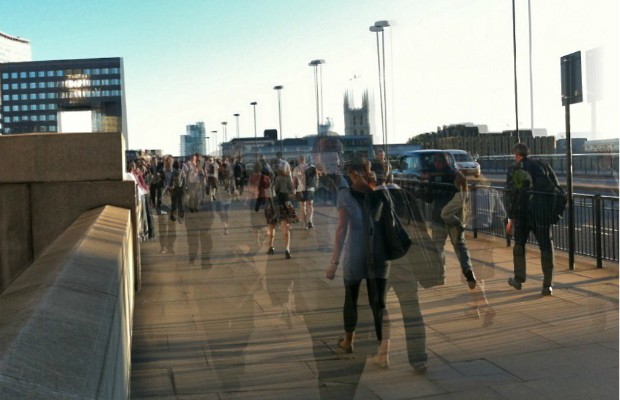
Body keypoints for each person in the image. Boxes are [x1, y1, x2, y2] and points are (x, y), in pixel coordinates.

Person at [326, 159, 391, 369]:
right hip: (379, 255)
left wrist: (333, 262)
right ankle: (383, 352)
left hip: (355, 254)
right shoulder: (378, 191)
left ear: (352, 173)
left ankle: (349, 341)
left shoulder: (345, 195)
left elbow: (341, 229)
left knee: (351, 298)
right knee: (379, 304)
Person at [504, 142, 557, 296]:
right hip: (541, 214)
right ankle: (548, 285)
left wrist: (510, 219)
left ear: (516, 155)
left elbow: (511, 195)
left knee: (519, 245)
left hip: (522, 214)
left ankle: (518, 279)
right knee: (546, 247)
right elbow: (554, 187)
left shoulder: (514, 169)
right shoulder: (542, 165)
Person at [424, 152, 476, 288]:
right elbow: (464, 197)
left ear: (437, 163)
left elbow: (428, 198)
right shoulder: (456, 175)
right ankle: (468, 270)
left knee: (438, 248)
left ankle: (440, 277)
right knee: (460, 246)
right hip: (454, 217)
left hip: (437, 217)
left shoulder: (433, 177)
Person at [440, 171, 477, 288]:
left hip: (454, 224)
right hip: (461, 223)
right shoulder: (467, 194)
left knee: (457, 247)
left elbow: (445, 213)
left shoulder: (459, 196)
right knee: (461, 248)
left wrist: (456, 221)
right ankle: (468, 271)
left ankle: (467, 271)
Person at [269, 165, 297, 259]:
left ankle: (271, 246)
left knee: (272, 224)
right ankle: (287, 249)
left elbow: (275, 190)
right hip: (286, 201)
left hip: (277, 202)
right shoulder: (288, 177)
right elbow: (291, 188)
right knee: (286, 228)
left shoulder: (276, 178)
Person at [292, 154, 317, 229]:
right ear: (305, 159)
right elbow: (316, 178)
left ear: (298, 160)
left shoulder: (296, 169)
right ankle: (310, 220)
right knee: (310, 205)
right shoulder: (312, 167)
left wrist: (293, 191)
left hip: (301, 189)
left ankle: (305, 224)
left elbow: (294, 182)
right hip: (310, 189)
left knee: (303, 207)